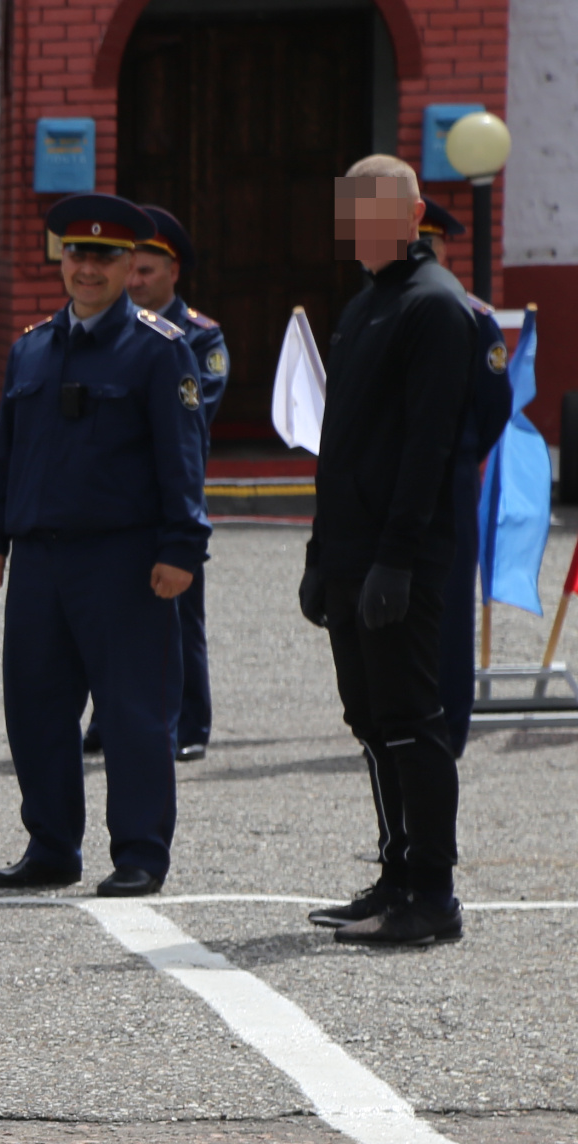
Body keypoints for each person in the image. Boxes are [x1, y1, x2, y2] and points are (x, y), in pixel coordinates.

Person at [0, 194, 208, 897]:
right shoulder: (32, 348)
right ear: (63, 260)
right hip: (41, 560)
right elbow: (7, 454)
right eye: (77, 254)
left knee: (133, 711)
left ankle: (139, 853)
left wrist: (181, 547)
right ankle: (51, 846)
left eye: (104, 257)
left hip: (124, 561)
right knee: (36, 708)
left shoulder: (159, 351)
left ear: (131, 264)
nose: (88, 268)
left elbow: (182, 459)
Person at [298, 156, 479, 947]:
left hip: (397, 552)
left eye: (376, 210)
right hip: (348, 550)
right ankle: (396, 871)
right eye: (352, 210)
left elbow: (428, 444)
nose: (361, 224)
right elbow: (341, 442)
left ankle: (432, 894)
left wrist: (398, 556)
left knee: (411, 720)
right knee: (370, 720)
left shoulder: (435, 307)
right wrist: (319, 553)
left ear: (411, 218)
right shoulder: (366, 303)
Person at [412, 199, 514, 758]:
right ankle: (398, 723)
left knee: (449, 606)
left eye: (432, 242)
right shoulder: (379, 309)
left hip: (448, 480)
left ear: (447, 249)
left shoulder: (474, 316)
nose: (423, 251)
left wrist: (462, 451)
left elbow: (495, 403)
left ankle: (448, 727)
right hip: (390, 479)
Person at [126, 205, 225, 760]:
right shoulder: (112, 329)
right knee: (112, 613)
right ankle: (109, 718)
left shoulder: (200, 337)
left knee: (179, 617)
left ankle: (190, 724)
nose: (136, 281)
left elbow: (192, 414)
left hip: (172, 496)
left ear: (173, 273)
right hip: (117, 498)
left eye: (147, 272)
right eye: (131, 270)